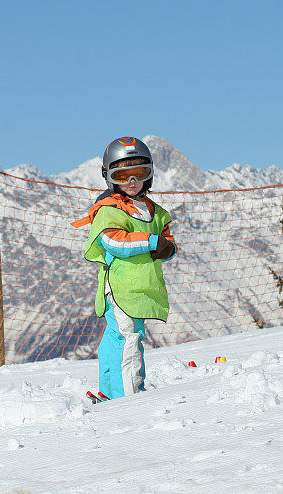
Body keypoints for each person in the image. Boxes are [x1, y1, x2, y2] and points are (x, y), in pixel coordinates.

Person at [71, 137, 177, 400]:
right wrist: (152, 242)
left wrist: (167, 248)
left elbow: (166, 241)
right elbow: (113, 241)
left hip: (140, 286)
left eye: (140, 173)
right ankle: (128, 396)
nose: (132, 182)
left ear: (150, 175)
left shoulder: (153, 211)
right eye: (123, 175)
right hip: (120, 286)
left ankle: (110, 391)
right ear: (110, 178)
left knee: (116, 336)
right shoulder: (109, 210)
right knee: (128, 337)